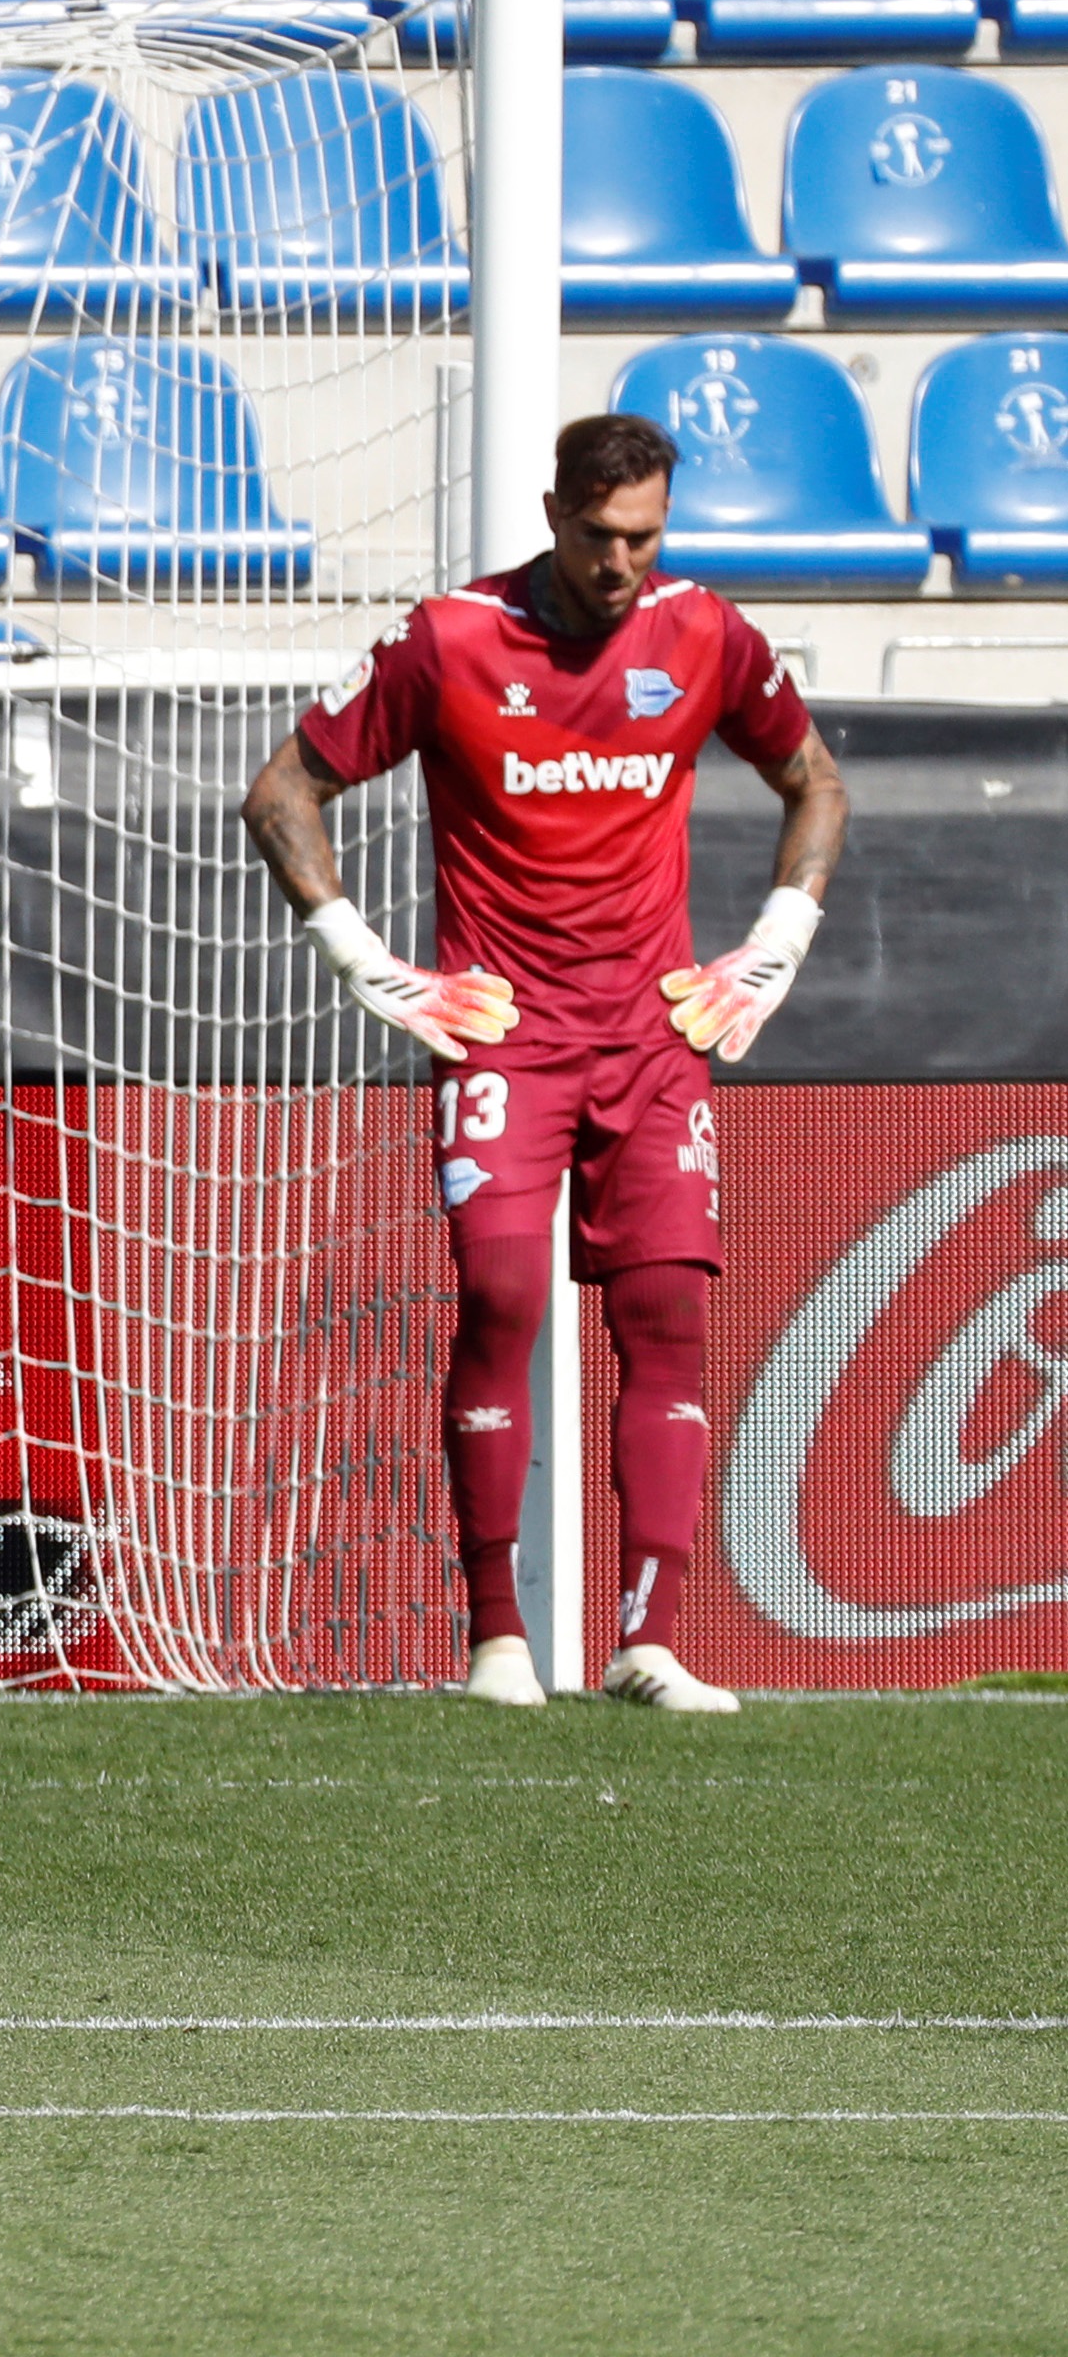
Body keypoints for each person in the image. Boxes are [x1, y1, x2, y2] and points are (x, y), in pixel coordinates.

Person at [238, 414, 847, 1714]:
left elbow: (816, 783)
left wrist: (775, 944)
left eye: (646, 534)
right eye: (599, 533)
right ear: (553, 511)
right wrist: (362, 956)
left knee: (668, 1319)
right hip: (503, 1034)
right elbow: (283, 789)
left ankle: (652, 1642)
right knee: (504, 1300)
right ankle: (497, 1641)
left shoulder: (705, 635)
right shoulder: (451, 639)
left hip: (654, 1037)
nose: (623, 560)